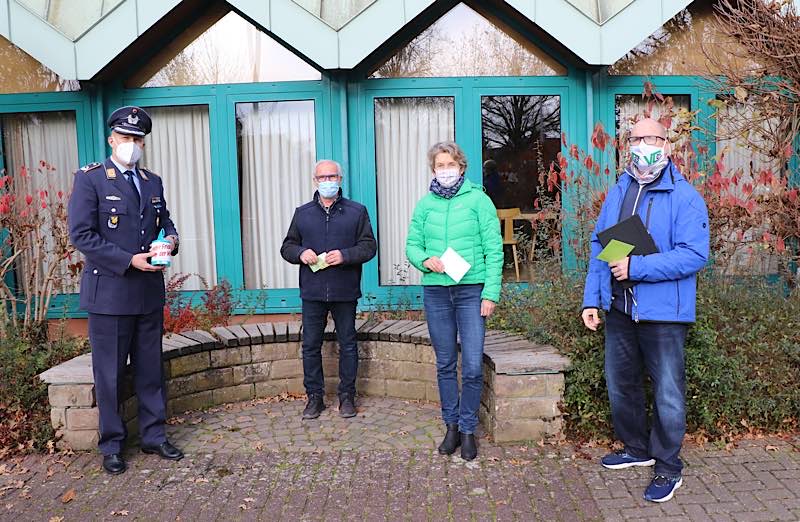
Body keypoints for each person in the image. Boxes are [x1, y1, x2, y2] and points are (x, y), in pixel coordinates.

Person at [581, 118, 709, 503]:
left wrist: (638, 268)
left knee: (668, 393)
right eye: (637, 138)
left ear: (667, 145)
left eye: (653, 138)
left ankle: (669, 467)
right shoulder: (620, 190)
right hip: (620, 309)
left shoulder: (685, 196)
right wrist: (592, 298)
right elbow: (600, 247)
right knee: (622, 385)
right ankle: (637, 449)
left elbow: (693, 255)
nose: (644, 144)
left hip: (664, 314)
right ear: (628, 144)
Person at [68, 106, 183, 475]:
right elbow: (81, 235)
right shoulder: (91, 179)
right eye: (126, 138)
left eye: (138, 139)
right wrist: (128, 260)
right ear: (111, 140)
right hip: (110, 294)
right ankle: (113, 445)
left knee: (151, 370)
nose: (131, 145)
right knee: (111, 373)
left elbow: (164, 222)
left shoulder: (152, 181)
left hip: (149, 292)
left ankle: (153, 435)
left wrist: (171, 241)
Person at [406, 141, 503, 461]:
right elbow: (412, 246)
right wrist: (425, 260)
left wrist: (490, 293)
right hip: (436, 291)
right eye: (439, 166)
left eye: (450, 165)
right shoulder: (425, 205)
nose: (445, 170)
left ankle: (468, 429)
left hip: (470, 290)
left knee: (473, 366)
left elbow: (494, 248)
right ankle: (451, 427)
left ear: (461, 167)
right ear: (433, 170)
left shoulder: (479, 200)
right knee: (446, 363)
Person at [280, 160, 377, 420]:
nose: (327, 181)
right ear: (315, 180)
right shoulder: (302, 213)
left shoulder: (357, 211)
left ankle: (347, 396)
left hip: (345, 290)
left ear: (340, 178)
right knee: (311, 345)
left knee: (348, 344)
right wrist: (301, 253)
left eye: (332, 176)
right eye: (322, 177)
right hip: (312, 292)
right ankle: (315, 398)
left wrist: (345, 255)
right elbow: (287, 247)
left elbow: (369, 247)